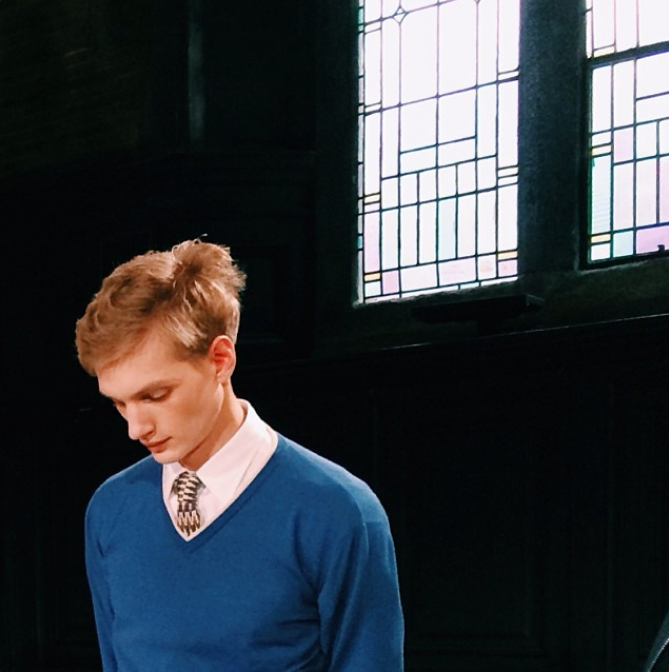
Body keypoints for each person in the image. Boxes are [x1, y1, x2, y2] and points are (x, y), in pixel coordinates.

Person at [74, 238, 404, 671]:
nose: (135, 429)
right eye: (119, 403)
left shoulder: (338, 511)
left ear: (220, 359)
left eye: (154, 395)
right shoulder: (110, 510)